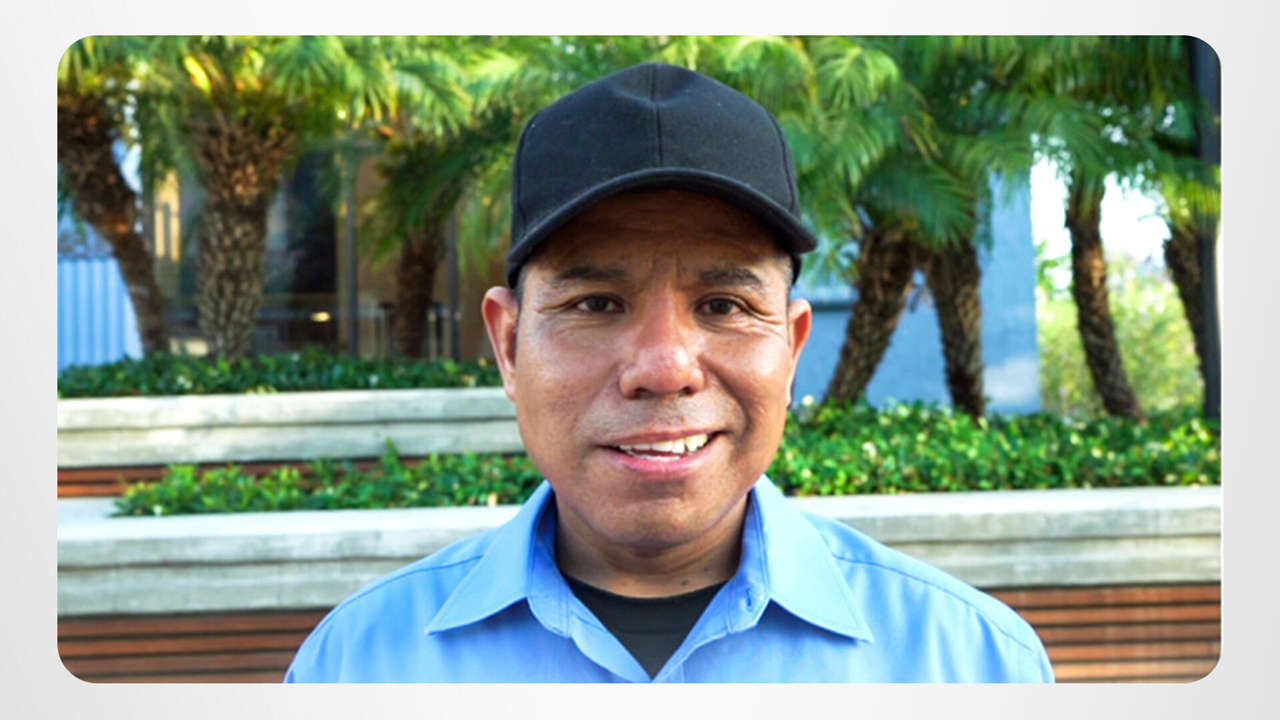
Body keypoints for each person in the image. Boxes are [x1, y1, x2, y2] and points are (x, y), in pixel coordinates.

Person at [285, 63, 1055, 683]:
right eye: (596, 303)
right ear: (509, 345)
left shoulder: (975, 666)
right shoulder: (353, 668)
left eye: (723, 305)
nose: (664, 368)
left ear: (791, 348)